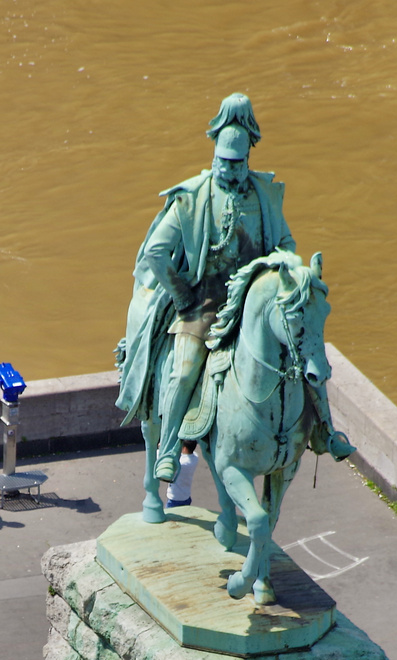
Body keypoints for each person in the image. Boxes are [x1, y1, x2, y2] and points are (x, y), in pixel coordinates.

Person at [119, 94, 297, 485]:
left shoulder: (265, 195)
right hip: (204, 302)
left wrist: (281, 268)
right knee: (184, 372)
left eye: (236, 165)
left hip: (253, 298)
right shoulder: (191, 198)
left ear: (248, 160)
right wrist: (183, 295)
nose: (229, 171)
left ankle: (322, 432)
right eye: (222, 163)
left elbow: (286, 243)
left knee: (303, 353)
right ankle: (167, 450)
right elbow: (155, 252)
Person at [166, 440, 200, 508]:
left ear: (184, 448)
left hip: (175, 498)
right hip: (186, 496)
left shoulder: (180, 463)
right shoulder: (195, 457)